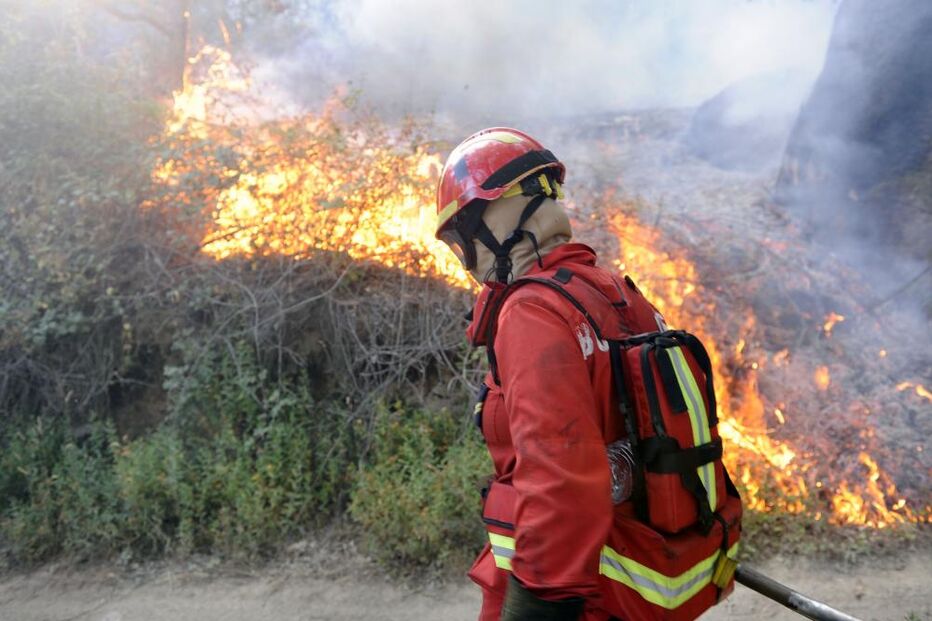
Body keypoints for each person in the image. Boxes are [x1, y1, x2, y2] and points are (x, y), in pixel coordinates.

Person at [435, 127, 643, 621]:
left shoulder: (532, 312)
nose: (466, 261)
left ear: (493, 223)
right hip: (625, 581)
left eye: (462, 240)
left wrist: (534, 607)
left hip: (580, 597)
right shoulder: (612, 291)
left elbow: (559, 480)